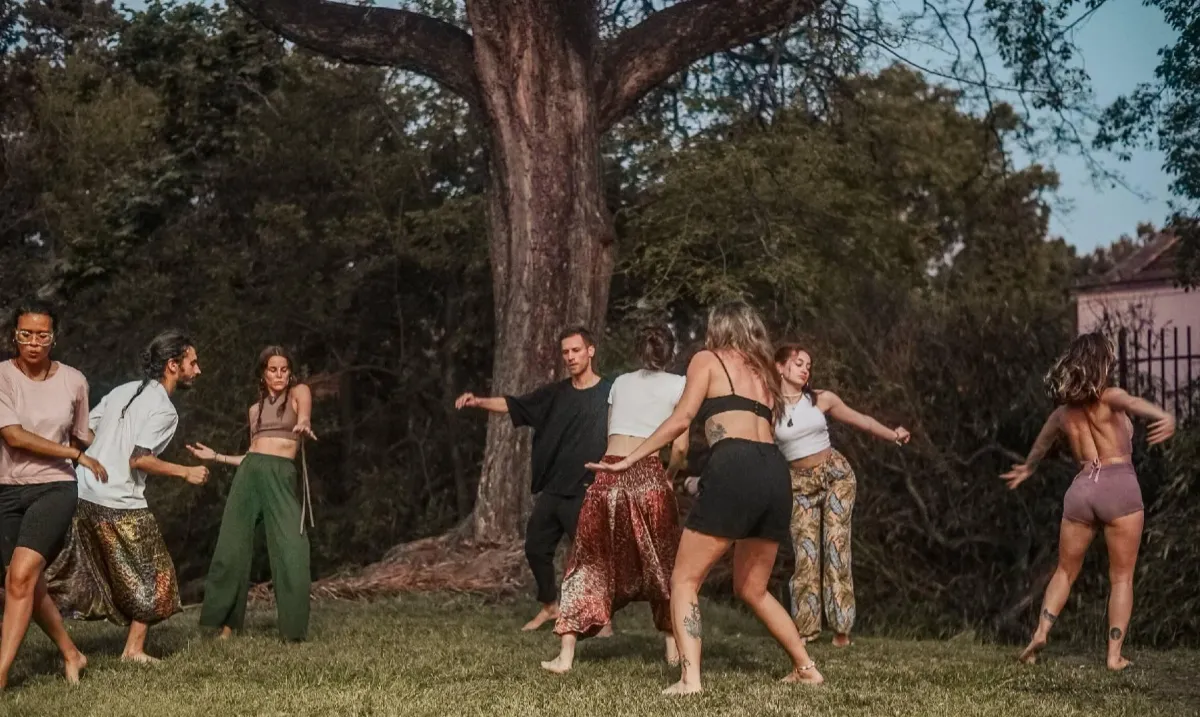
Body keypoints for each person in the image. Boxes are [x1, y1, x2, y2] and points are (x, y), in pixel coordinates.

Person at [589, 301, 823, 694]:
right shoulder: (764, 371)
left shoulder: (707, 359)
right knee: (752, 587)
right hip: (773, 471)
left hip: (735, 464)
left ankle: (690, 679)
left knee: (683, 580)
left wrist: (629, 458)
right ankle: (806, 666)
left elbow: (682, 419)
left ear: (717, 327)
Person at [1002, 332, 1175, 671]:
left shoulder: (1063, 414)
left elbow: (1041, 445)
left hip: (1082, 489)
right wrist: (1164, 416)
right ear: (1102, 363)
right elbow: (1136, 404)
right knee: (1121, 577)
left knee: (1065, 571)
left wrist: (1027, 467)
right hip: (1119, 485)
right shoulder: (1111, 396)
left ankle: (1040, 634)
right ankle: (1114, 656)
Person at [47, 330, 208, 663]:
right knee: (159, 572)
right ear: (173, 365)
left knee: (75, 564)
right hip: (119, 499)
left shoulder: (123, 391)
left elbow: (84, 434)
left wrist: (102, 450)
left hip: (85, 489)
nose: (198, 369)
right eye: (193, 362)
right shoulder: (165, 410)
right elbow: (140, 458)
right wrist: (186, 472)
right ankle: (133, 650)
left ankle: (17, 594)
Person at [541, 324, 689, 674]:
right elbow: (680, 449)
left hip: (607, 474)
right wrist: (669, 478)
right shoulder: (680, 385)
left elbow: (612, 432)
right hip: (649, 473)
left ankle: (565, 657)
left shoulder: (619, 383)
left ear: (639, 352)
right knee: (662, 563)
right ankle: (671, 649)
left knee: (587, 560)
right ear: (671, 353)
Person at [455, 326, 612, 632]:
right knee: (536, 547)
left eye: (576, 350)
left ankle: (602, 620)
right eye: (566, 352)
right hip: (553, 489)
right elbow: (514, 405)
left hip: (587, 489)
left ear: (590, 351)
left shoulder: (609, 393)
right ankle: (550, 607)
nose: (570, 357)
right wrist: (478, 402)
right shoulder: (555, 394)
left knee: (590, 557)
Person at [771, 343, 909, 647]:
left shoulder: (822, 399)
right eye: (798, 363)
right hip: (798, 484)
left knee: (835, 545)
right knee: (806, 555)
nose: (806, 368)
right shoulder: (769, 407)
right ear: (780, 367)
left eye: (808, 364)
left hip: (836, 477)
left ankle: (841, 629)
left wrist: (893, 434)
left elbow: (864, 421)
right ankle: (806, 629)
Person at [0, 300, 105, 688]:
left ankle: (1, 675)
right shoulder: (2, 377)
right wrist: (75, 452)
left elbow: (82, 433)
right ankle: (72, 653)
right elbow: (13, 435)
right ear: (15, 335)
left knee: (22, 575)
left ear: (54, 338)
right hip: (7, 490)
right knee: (20, 582)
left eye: (41, 335)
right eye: (25, 334)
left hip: (56, 487)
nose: (33, 342)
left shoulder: (74, 381)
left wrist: (96, 445)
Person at [186, 346, 317, 641]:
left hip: (280, 474)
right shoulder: (254, 411)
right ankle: (227, 625)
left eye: (284, 369)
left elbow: (305, 412)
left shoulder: (298, 393)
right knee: (232, 547)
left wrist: (305, 423)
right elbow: (250, 454)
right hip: (250, 474)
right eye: (273, 369)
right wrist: (217, 456)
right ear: (263, 374)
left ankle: (293, 632)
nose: (279, 375)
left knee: (292, 549)